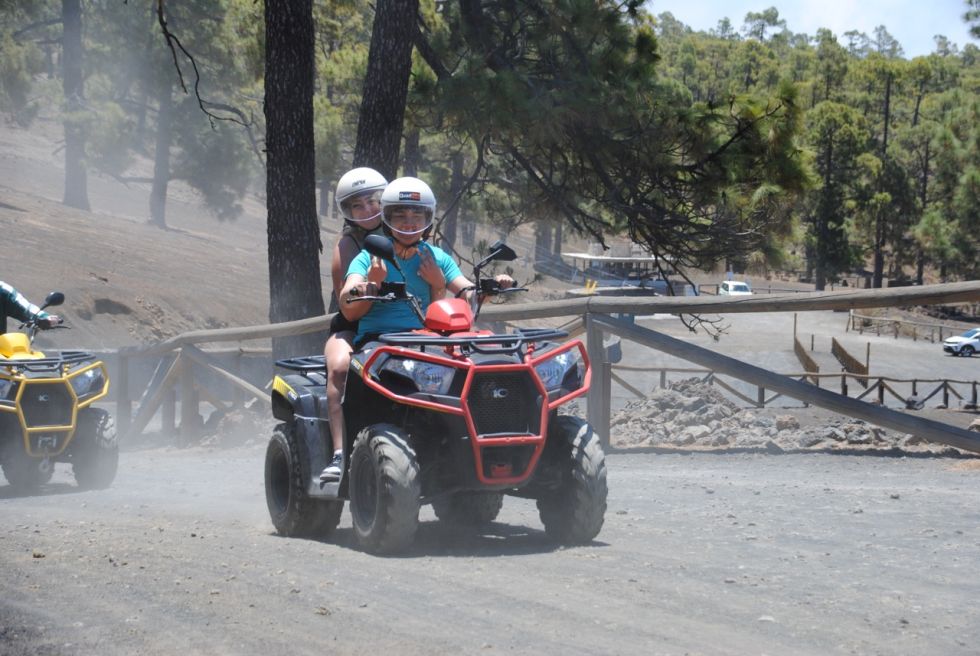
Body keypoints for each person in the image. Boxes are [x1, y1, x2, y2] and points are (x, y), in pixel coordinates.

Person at [321, 176, 512, 481]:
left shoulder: (435, 256)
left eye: (417, 216)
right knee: (347, 372)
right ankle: (340, 453)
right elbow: (348, 296)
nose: (409, 223)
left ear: (428, 219)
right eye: (400, 215)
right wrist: (371, 284)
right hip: (377, 340)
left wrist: (490, 286)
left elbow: (465, 290)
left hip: (425, 342)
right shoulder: (368, 255)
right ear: (388, 217)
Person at [320, 169, 443, 481]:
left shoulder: (412, 232)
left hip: (407, 324)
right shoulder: (348, 247)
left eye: (373, 201)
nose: (368, 210)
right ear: (347, 213)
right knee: (339, 368)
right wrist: (368, 287)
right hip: (356, 322)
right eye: (357, 206)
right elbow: (349, 306)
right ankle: (338, 452)